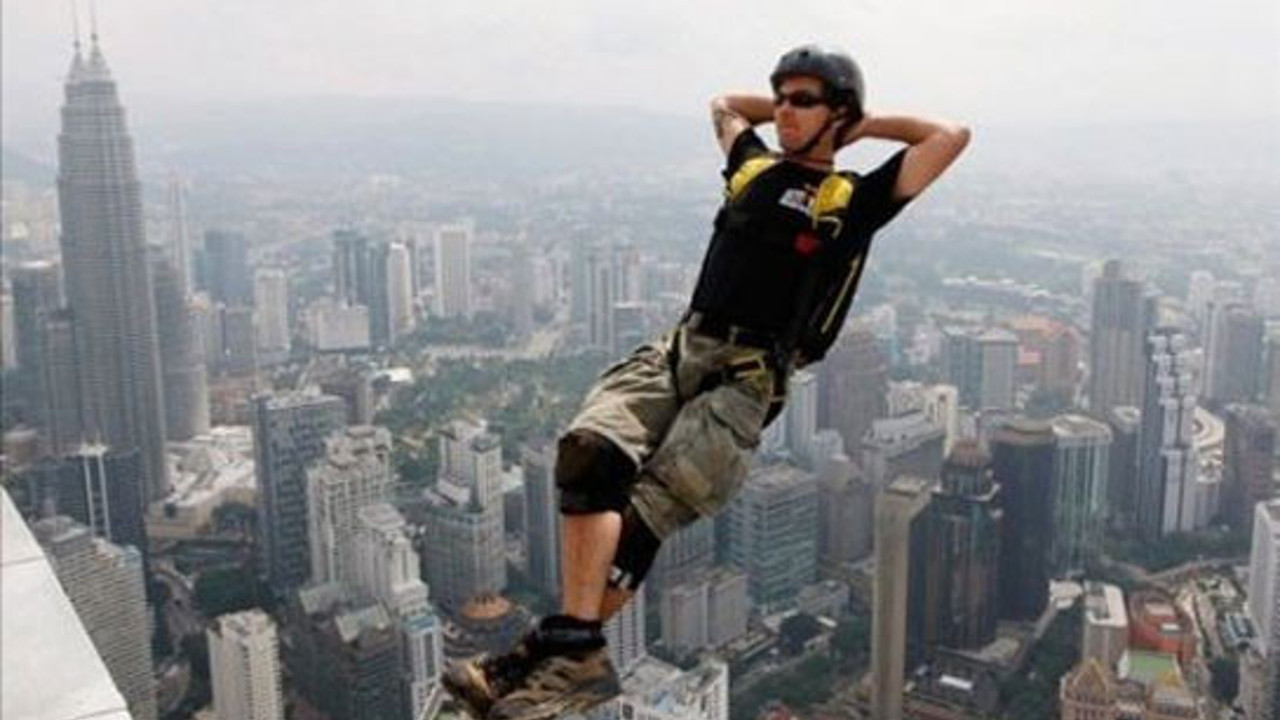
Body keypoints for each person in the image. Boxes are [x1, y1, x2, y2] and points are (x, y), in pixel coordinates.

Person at [443, 44, 970, 720]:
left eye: (803, 99)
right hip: (681, 349)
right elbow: (723, 104)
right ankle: (572, 654)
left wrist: (859, 127)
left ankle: (547, 661)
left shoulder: (852, 200)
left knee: (641, 521)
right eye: (780, 96)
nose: (783, 109)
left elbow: (949, 137)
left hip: (745, 381)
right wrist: (795, 111)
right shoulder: (752, 168)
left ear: (838, 111)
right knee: (588, 453)